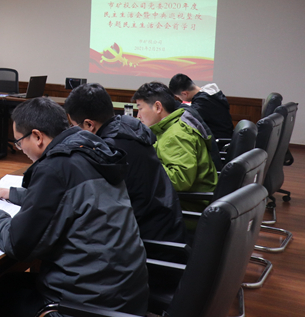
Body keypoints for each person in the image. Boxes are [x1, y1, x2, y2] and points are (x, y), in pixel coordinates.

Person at [0, 97, 148, 317]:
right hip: (124, 295)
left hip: (85, 305)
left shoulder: (56, 167)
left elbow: (18, 244)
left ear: (37, 136)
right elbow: (69, 197)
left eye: (19, 142)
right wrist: (16, 194)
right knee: (9, 280)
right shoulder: (91, 150)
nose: (20, 149)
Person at [64, 83, 186, 243]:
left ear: (89, 124)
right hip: (167, 227)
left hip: (147, 242)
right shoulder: (130, 130)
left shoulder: (108, 152)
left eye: (75, 127)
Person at [132, 82, 218, 210]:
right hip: (180, 201)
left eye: (140, 108)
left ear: (158, 107)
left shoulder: (176, 135)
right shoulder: (170, 126)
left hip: (187, 206)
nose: (138, 116)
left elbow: (180, 180)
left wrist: (144, 165)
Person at [169, 74, 234, 140]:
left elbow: (190, 116)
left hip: (217, 141)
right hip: (225, 135)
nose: (180, 99)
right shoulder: (210, 94)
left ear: (185, 94)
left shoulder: (203, 102)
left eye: (179, 97)